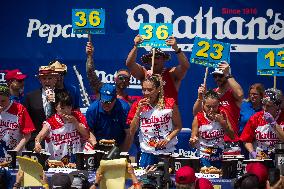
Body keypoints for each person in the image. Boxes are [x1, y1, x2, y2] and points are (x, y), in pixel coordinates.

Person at [127, 74, 182, 167]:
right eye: (144, 89)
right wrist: (138, 111)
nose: (146, 93)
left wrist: (167, 139)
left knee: (167, 180)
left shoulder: (170, 103)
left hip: (167, 153)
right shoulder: (138, 105)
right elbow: (132, 131)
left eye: (150, 90)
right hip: (147, 153)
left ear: (158, 90)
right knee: (145, 181)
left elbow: (178, 127)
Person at [193, 62, 244, 155]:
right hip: (212, 143)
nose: (217, 78)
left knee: (229, 170)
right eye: (215, 76)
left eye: (220, 76)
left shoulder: (233, 93)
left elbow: (240, 94)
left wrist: (228, 74)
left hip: (230, 142)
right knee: (210, 170)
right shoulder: (211, 94)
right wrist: (200, 98)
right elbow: (196, 113)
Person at [126, 35, 190, 102]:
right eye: (150, 57)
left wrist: (176, 48)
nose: (153, 59)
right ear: (148, 61)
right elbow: (130, 64)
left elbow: (185, 66)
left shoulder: (171, 73)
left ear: (164, 59)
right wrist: (136, 46)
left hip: (169, 110)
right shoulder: (144, 72)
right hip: (149, 110)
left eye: (157, 57)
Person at [34, 91, 90, 161]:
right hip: (56, 163)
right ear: (56, 107)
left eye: (69, 107)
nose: (66, 111)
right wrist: (37, 143)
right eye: (62, 108)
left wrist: (75, 122)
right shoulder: (51, 122)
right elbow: (40, 136)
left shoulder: (78, 116)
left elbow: (86, 135)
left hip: (75, 161)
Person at [190, 90, 234, 168]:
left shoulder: (222, 114)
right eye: (208, 106)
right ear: (203, 105)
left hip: (219, 155)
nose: (211, 110)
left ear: (218, 105)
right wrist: (193, 140)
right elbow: (192, 142)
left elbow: (232, 136)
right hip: (204, 156)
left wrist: (222, 123)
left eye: (214, 107)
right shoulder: (198, 118)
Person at [240, 88, 284, 159]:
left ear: (277, 106)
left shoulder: (282, 117)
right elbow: (246, 140)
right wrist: (252, 152)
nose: (265, 109)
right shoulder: (256, 117)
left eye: (268, 106)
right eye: (263, 105)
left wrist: (274, 124)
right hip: (261, 156)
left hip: (280, 156)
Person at [86, 83, 131, 151]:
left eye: (109, 102)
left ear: (115, 99)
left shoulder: (124, 108)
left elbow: (129, 133)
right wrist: (96, 147)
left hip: (119, 145)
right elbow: (90, 131)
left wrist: (122, 153)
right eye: (104, 101)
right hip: (98, 145)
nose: (106, 105)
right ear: (100, 98)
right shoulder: (92, 109)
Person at [24, 65, 59, 151]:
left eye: (50, 78)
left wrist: (54, 102)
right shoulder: (31, 97)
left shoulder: (62, 95)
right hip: (36, 141)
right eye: (43, 78)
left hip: (58, 140)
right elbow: (26, 121)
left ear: (55, 79)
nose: (47, 81)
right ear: (40, 80)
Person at [0, 85, 35, 162]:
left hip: (16, 154)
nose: (0, 104)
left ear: (9, 97)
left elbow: (27, 134)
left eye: (3, 101)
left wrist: (15, 151)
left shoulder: (19, 109)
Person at [239, 83, 264, 158]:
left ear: (261, 95)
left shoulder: (265, 108)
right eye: (250, 94)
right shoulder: (243, 106)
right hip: (243, 142)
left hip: (259, 144)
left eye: (255, 94)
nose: (252, 96)